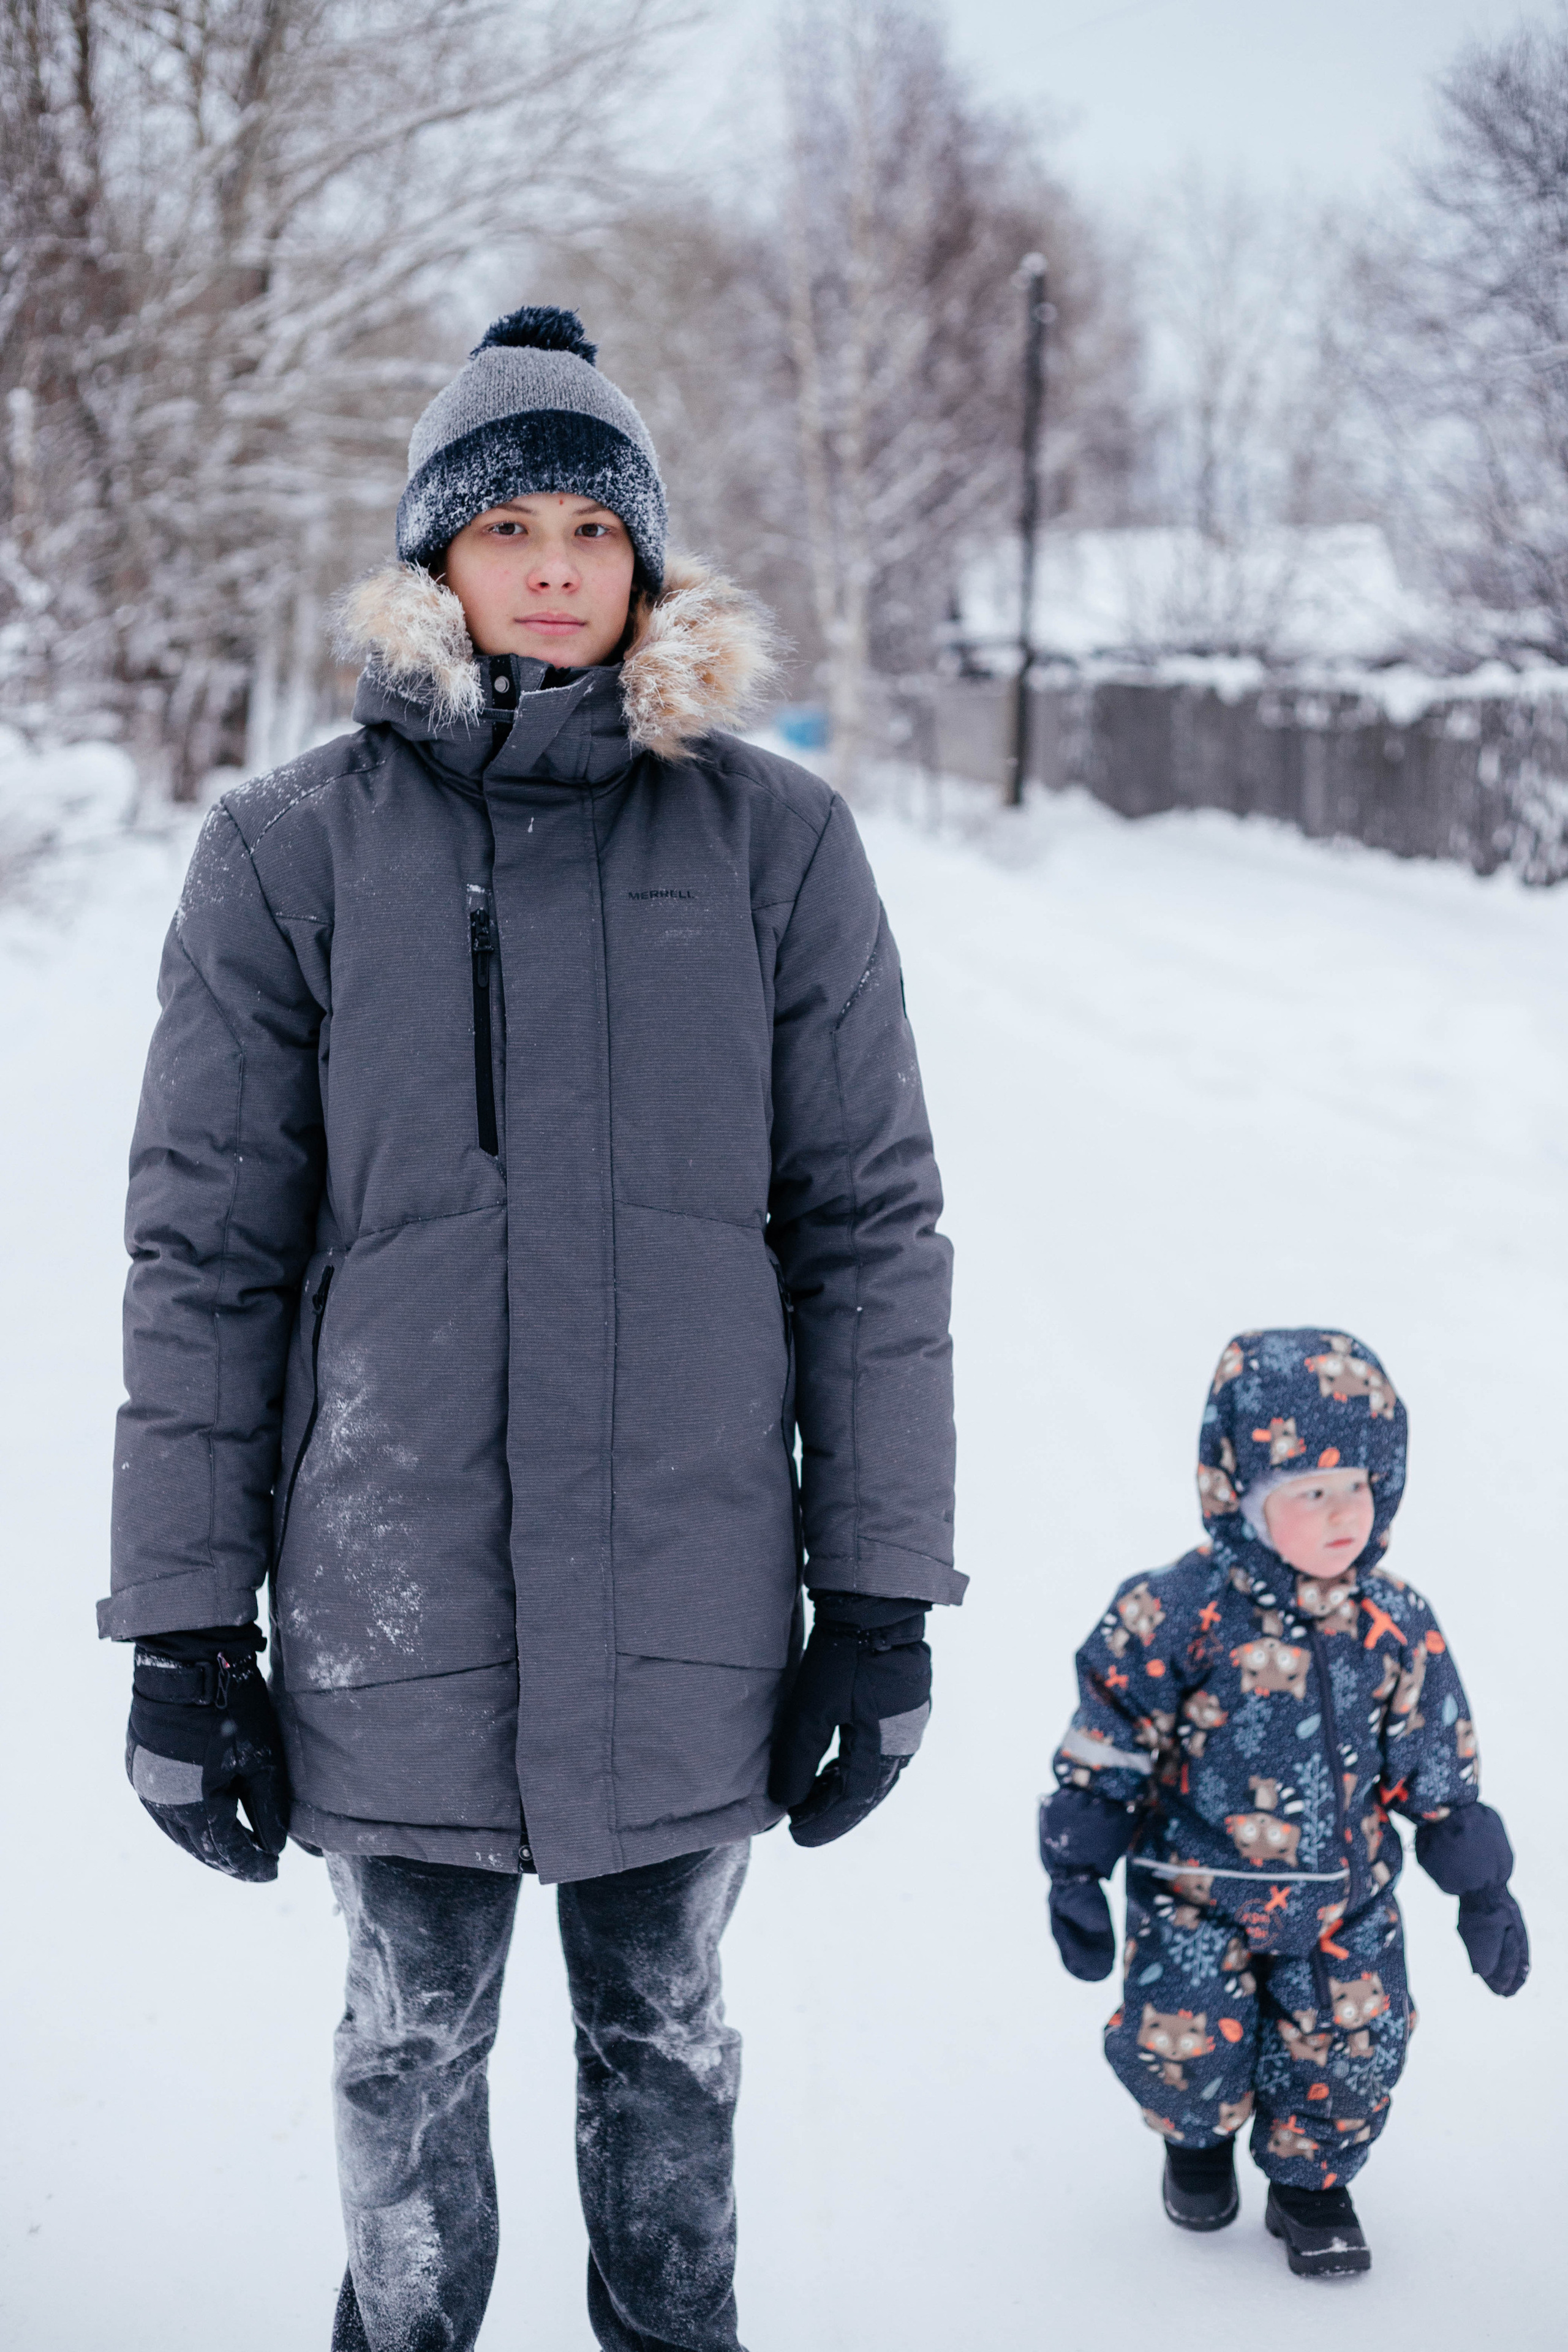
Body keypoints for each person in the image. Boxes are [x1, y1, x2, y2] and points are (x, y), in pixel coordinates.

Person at [99, 304, 960, 2352]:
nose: (557, 567)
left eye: (596, 525)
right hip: (396, 1601)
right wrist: (186, 1628)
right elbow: (204, 1257)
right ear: (439, 563)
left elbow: (869, 1231)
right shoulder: (287, 853)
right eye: (511, 530)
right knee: (408, 2056)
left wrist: (886, 1599)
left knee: (666, 2051)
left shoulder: (778, 845)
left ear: (646, 562)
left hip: (689, 1606)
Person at [1038, 1328, 1527, 2279]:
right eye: (1309, 1491)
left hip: (1348, 1895)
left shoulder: (1396, 1623)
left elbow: (1437, 1757)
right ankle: (1196, 2144)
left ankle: (1311, 2186)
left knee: (1355, 2043)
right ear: (1243, 1496)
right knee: (1179, 2037)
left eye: (1359, 1485)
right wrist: (1077, 1863)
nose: (1344, 1512)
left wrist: (1480, 1886)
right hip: (1197, 1888)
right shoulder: (1173, 1613)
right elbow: (1110, 1732)